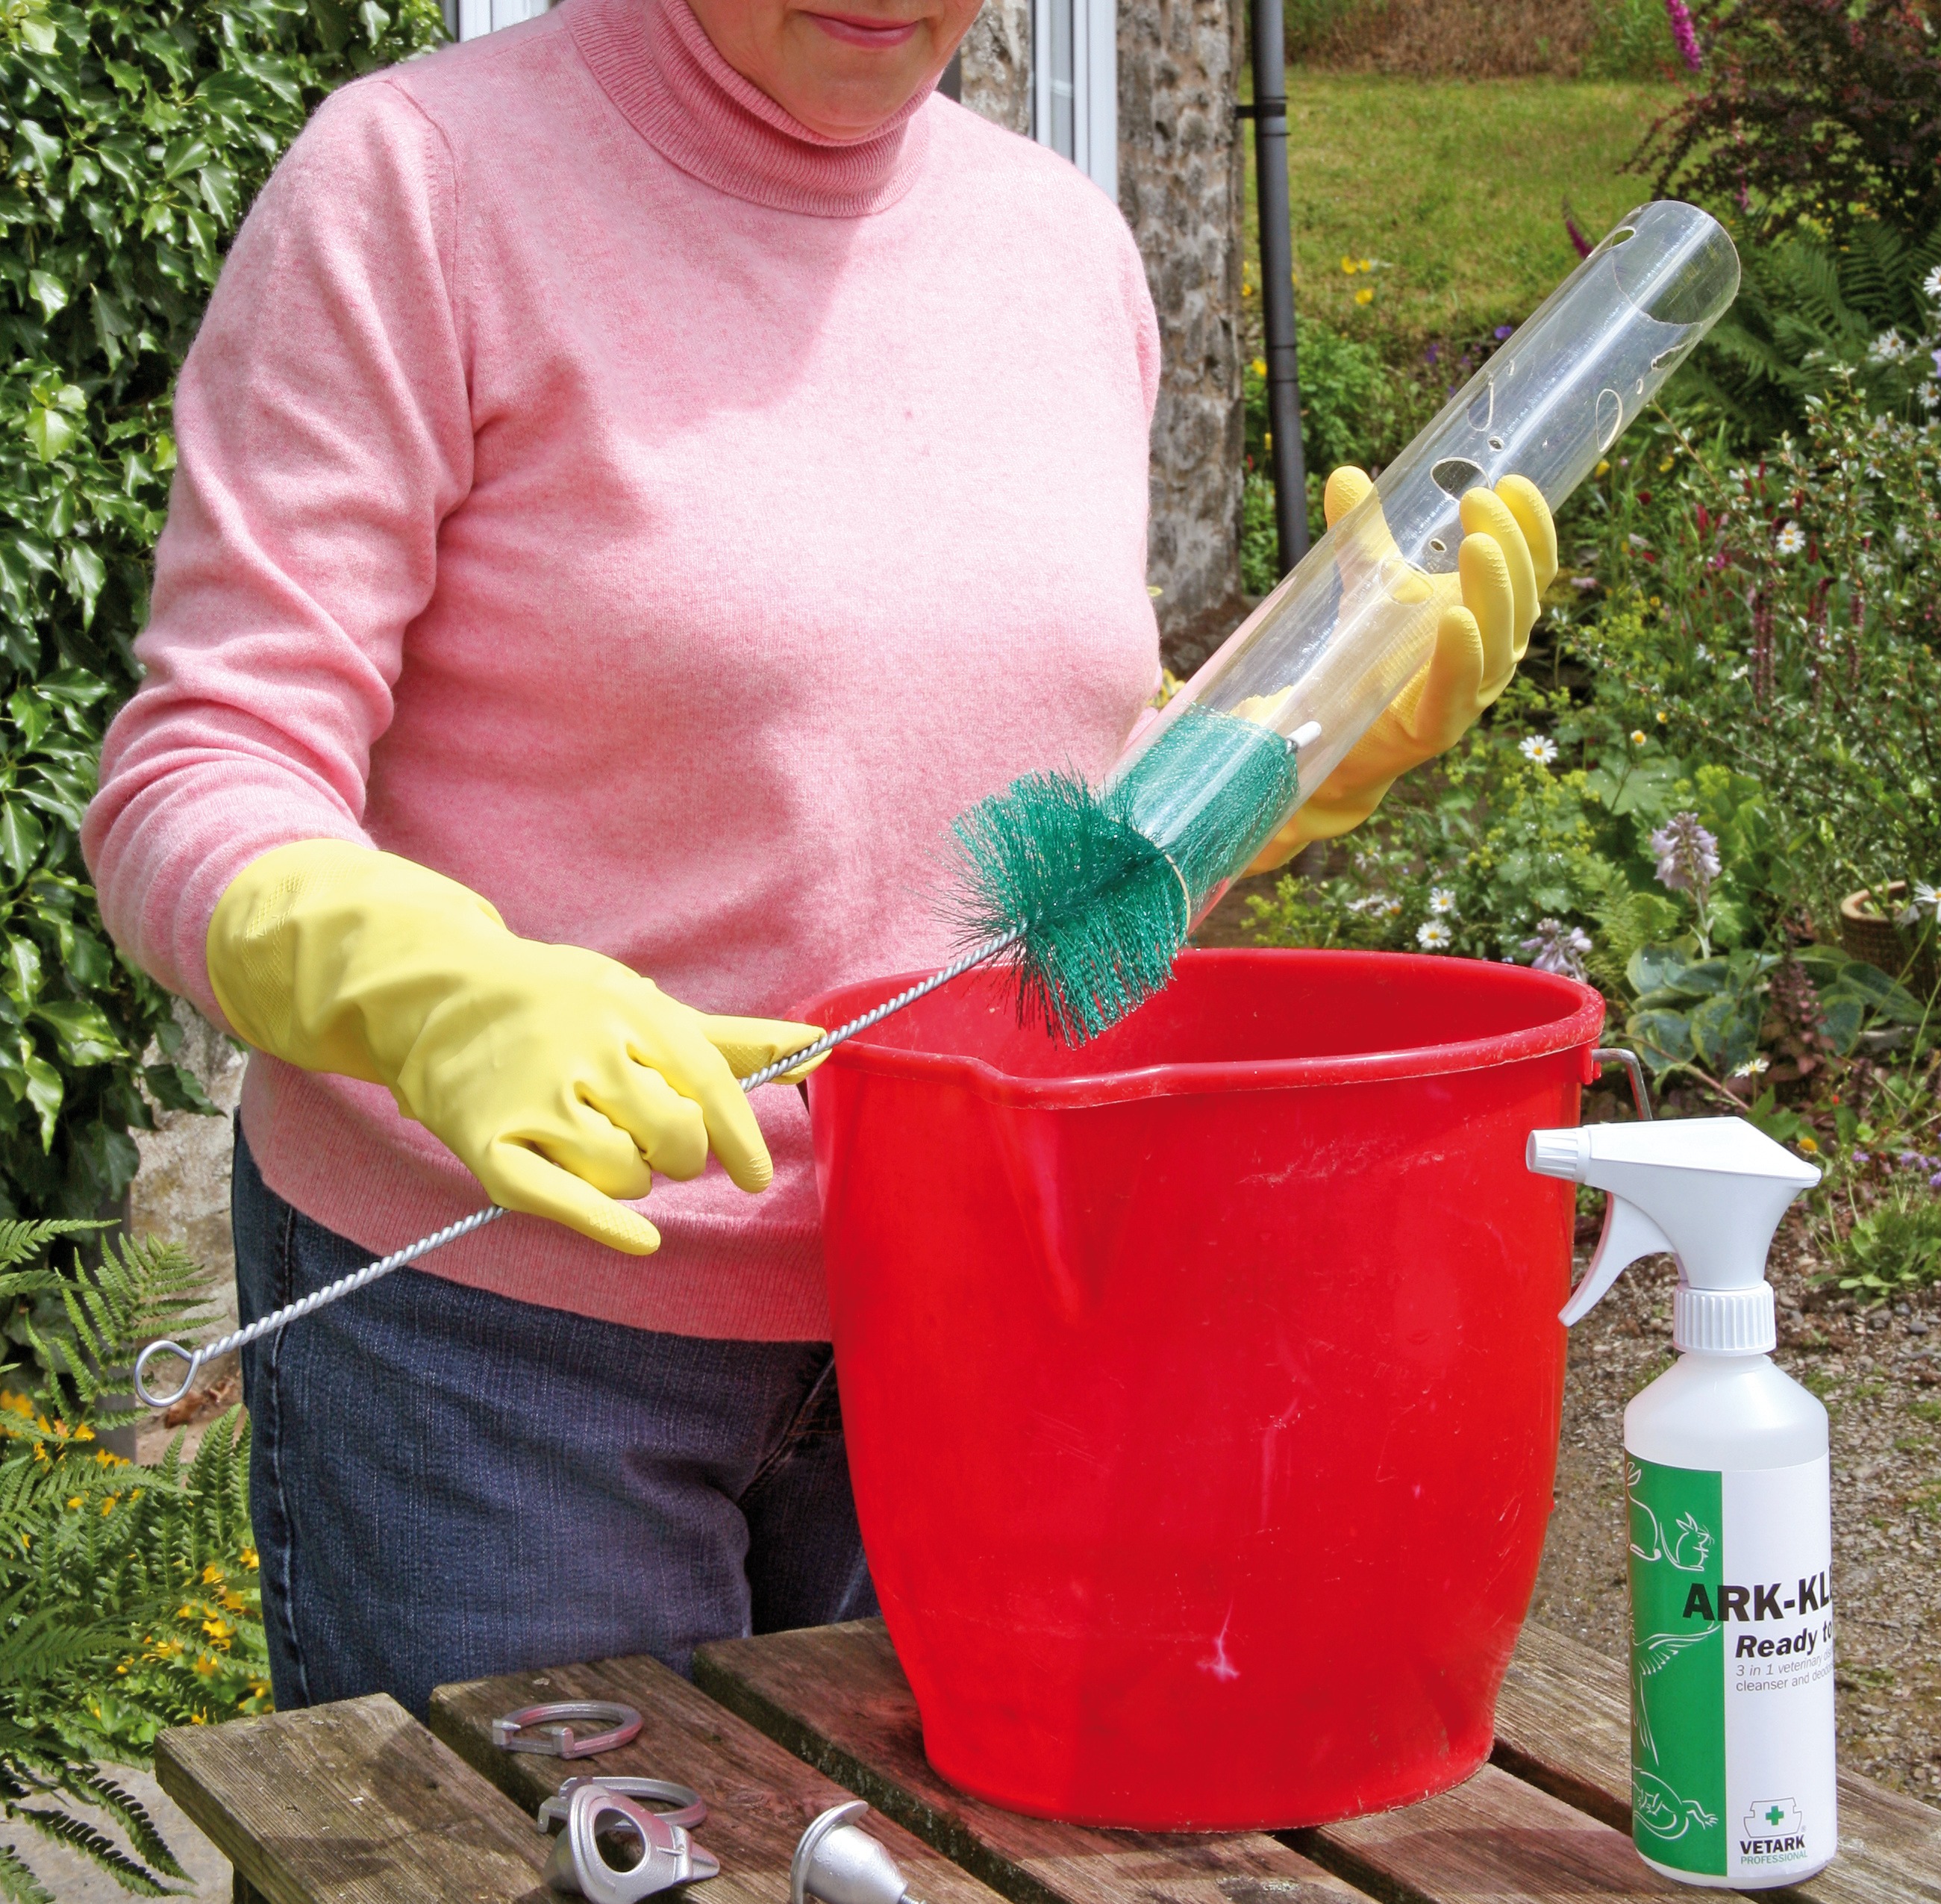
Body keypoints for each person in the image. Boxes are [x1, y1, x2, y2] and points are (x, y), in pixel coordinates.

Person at [82, 0, 1552, 1720]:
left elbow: (1009, 897)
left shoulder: (1059, 247)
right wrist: (422, 987)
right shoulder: (415, 189)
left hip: (968, 1322)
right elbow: (197, 774)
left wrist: (1274, 767)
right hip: (503, 1354)